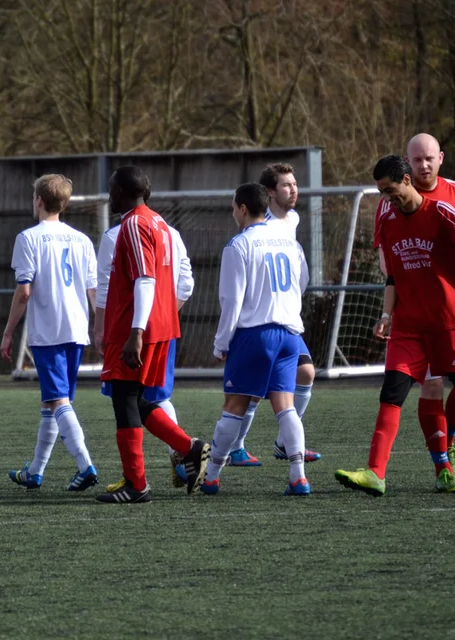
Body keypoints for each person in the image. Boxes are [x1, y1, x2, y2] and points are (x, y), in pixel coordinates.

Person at [335, 155, 455, 498]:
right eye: (381, 192)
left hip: (449, 322)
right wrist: (386, 315)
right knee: (392, 390)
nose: (387, 198)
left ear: (406, 180)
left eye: (390, 189)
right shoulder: (389, 222)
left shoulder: (442, 212)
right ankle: (375, 473)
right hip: (409, 325)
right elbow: (392, 277)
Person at [374, 133, 455, 484]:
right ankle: (442, 463)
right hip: (417, 312)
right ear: (408, 163)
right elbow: (388, 260)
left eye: (429, 159)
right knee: (432, 386)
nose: (424, 165)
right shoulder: (388, 203)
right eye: (416, 159)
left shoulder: (454, 193)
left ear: (440, 158)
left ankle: (449, 439)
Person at [96, 165, 210, 504]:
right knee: (138, 399)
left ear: (122, 192)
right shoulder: (161, 223)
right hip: (161, 325)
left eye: (113, 189)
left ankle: (137, 484)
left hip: (136, 327)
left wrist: (135, 332)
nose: (110, 195)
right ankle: (189, 448)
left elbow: (144, 279)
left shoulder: (133, 223)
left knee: (123, 400)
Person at [201, 183, 312, 496]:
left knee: (234, 405)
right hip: (291, 334)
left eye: (233, 206)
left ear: (242, 208)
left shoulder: (239, 245)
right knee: (285, 406)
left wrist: (221, 344)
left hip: (256, 334)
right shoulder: (290, 242)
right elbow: (301, 282)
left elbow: (231, 301)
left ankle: (211, 477)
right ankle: (298, 477)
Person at [0, 174, 99, 491]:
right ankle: (35, 471)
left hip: (49, 331)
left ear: (39, 201)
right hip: (76, 329)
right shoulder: (82, 239)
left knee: (58, 401)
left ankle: (85, 465)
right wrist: (100, 327)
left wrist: (7, 332)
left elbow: (24, 292)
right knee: (54, 401)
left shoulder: (29, 238)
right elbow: (94, 292)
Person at [224, 163, 322, 468]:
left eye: (294, 184)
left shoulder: (292, 219)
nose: (293, 190)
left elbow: (299, 272)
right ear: (269, 193)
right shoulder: (258, 224)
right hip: (260, 320)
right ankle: (235, 447)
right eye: (285, 185)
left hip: (284, 318)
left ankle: (285, 443)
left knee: (305, 373)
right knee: (250, 392)